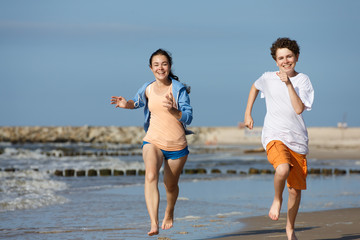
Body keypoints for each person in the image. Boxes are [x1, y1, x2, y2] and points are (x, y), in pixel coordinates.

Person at [111, 49, 193, 236]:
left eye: (164, 64)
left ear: (169, 66)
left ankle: (169, 212)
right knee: (150, 175)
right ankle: (154, 223)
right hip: (153, 140)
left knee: (170, 186)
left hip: (176, 146)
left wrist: (175, 111)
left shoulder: (178, 89)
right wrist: (126, 104)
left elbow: (188, 116)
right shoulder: (147, 88)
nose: (160, 68)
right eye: (156, 65)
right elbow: (137, 102)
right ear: (151, 68)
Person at [244, 38, 314, 240]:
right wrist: (248, 113)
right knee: (282, 169)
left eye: (289, 56)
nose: (285, 61)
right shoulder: (267, 77)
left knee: (295, 191)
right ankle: (276, 199)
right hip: (274, 135)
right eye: (281, 58)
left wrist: (289, 84)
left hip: (298, 140)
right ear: (276, 61)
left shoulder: (303, 80)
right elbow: (254, 87)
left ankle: (290, 228)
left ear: (297, 57)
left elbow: (299, 108)